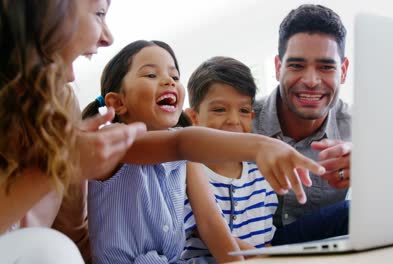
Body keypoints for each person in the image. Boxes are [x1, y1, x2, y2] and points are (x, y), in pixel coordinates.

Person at [83, 40, 326, 263]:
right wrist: (262, 145)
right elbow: (181, 142)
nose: (169, 81)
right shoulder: (110, 141)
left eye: (174, 75)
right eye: (151, 74)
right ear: (117, 103)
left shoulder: (186, 159)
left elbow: (211, 223)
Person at [0, 0, 146, 263]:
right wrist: (59, 168)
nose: (108, 38)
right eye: (99, 13)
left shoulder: (61, 106)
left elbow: (74, 231)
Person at [252, 4, 352, 243]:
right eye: (296, 65)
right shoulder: (240, 121)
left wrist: (373, 172)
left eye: (326, 67)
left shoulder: (361, 129)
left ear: (344, 70)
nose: (310, 81)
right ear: (278, 67)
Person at [182, 56, 278, 263]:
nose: (234, 120)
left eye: (243, 111)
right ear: (193, 118)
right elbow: (215, 236)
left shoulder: (260, 175)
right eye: (219, 110)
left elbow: (265, 240)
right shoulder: (187, 175)